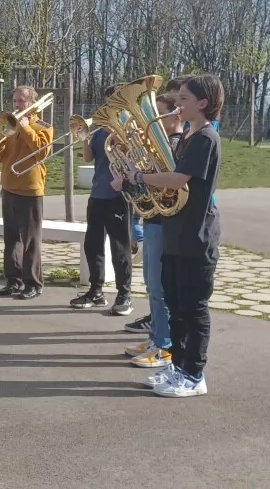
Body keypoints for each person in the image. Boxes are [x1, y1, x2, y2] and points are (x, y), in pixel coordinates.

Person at [120, 74, 224, 399]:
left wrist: (141, 175)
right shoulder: (190, 137)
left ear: (202, 103)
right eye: (178, 99)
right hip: (177, 233)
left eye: (183, 100)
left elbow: (178, 180)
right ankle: (178, 367)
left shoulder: (206, 138)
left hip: (196, 237)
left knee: (194, 310)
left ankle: (195, 375)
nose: (177, 106)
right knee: (176, 306)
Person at [122, 90, 185, 370]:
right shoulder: (162, 145)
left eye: (160, 114)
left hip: (164, 222)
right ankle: (156, 338)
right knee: (151, 284)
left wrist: (139, 176)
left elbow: (167, 183)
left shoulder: (177, 145)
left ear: (176, 115)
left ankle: (165, 345)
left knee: (159, 287)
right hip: (153, 220)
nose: (154, 120)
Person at [71, 84, 134, 315]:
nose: (109, 105)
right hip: (98, 193)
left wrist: (118, 138)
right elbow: (88, 158)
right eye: (107, 101)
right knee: (93, 244)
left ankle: (124, 293)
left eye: (114, 101)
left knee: (120, 247)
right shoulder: (98, 128)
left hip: (119, 195)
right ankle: (95, 291)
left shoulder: (130, 125)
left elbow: (135, 154)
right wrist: (84, 137)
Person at [0, 85, 54, 300]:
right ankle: (13, 280)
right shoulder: (10, 124)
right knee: (11, 238)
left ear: (32, 103)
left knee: (30, 240)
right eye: (15, 101)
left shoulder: (43, 126)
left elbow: (43, 152)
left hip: (30, 189)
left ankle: (33, 283)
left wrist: (26, 128)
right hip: (9, 187)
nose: (17, 105)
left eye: (22, 101)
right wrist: (2, 137)